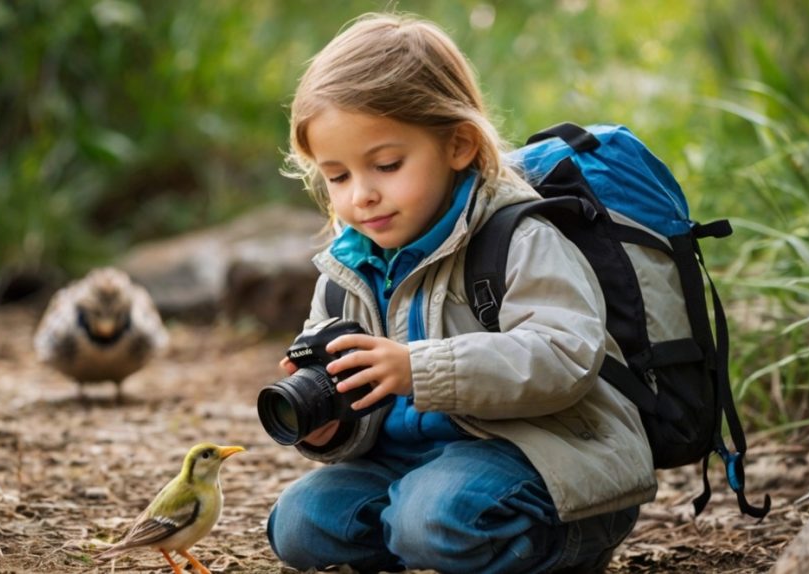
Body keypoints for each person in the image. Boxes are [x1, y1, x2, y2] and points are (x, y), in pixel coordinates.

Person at [265, 12, 657, 574]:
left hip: (538, 456)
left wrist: (418, 369)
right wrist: (329, 427)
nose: (361, 197)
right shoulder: (346, 270)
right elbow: (350, 408)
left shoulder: (516, 237)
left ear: (459, 145)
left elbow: (564, 355)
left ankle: (568, 545)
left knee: (433, 517)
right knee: (300, 524)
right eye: (338, 176)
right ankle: (433, 538)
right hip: (408, 464)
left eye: (386, 165)